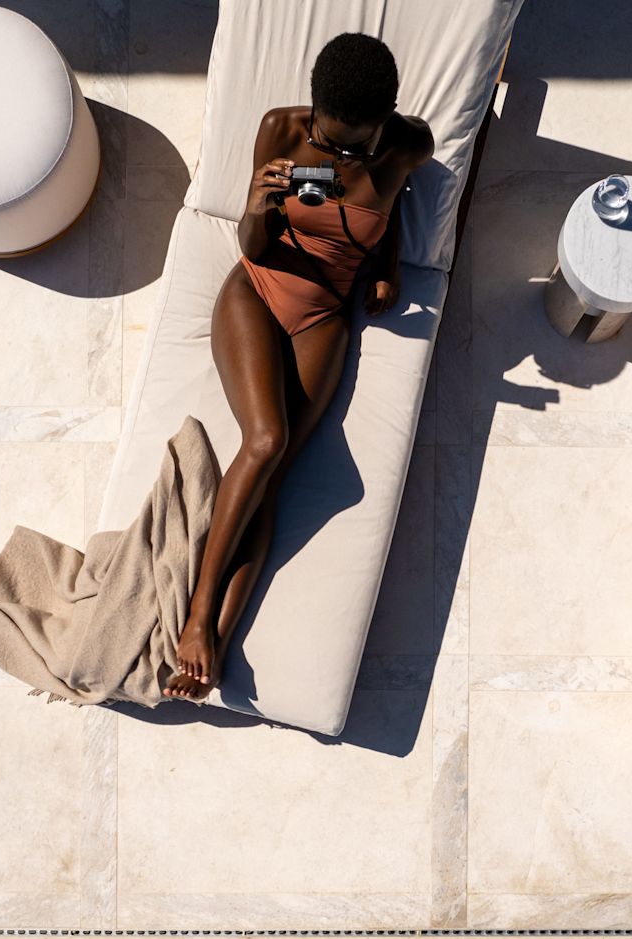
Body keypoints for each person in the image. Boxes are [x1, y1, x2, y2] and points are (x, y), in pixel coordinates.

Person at [162, 32, 435, 701]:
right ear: (314, 111)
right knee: (266, 440)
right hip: (257, 291)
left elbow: (392, 197)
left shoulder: (406, 146)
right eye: (331, 140)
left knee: (272, 478)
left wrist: (389, 265)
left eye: (356, 145)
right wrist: (258, 207)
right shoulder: (282, 132)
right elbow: (255, 243)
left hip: (324, 318)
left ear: (383, 124)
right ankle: (196, 622)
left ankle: (218, 647)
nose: (340, 156)